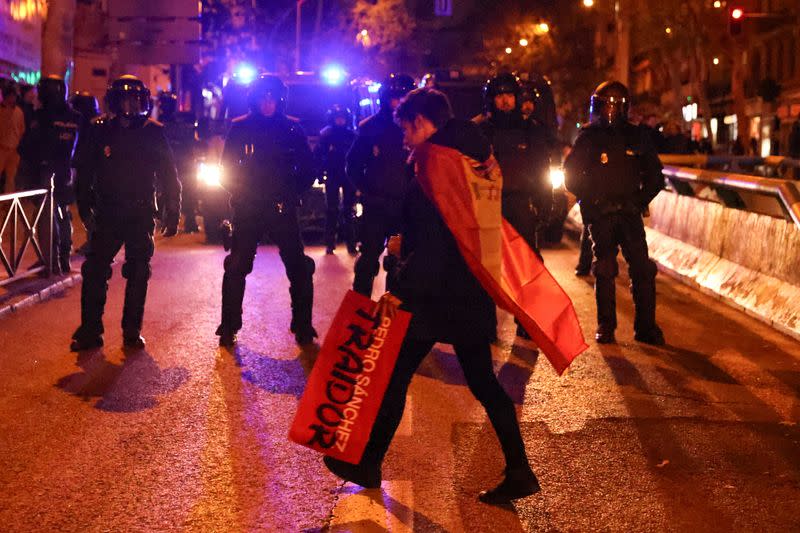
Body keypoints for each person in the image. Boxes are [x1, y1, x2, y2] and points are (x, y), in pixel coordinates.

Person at [323, 88, 540, 505]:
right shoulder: (473, 159)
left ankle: (368, 462)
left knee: (393, 372)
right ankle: (519, 469)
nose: (404, 137)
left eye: (406, 128)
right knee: (482, 384)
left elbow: (437, 240)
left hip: (434, 294)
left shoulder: (436, 164)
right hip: (468, 289)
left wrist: (402, 291)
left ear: (423, 123)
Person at [70, 75, 181, 351]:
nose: (129, 107)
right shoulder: (99, 130)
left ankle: (131, 331)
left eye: (135, 100)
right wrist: (85, 208)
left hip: (140, 212)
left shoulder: (152, 131)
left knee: (139, 271)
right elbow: (83, 173)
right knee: (95, 270)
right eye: (124, 101)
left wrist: (173, 210)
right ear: (114, 102)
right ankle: (90, 330)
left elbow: (169, 175)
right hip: (107, 211)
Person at [215, 74, 317, 347]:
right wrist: (241, 193)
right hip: (249, 208)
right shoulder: (240, 128)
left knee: (299, 266)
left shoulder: (292, 129)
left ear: (280, 99)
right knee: (236, 266)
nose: (268, 102)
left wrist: (291, 192)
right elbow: (226, 169)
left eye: (272, 97)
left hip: (281, 207)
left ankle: (303, 325)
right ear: (255, 98)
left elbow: (309, 168)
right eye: (263, 97)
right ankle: (228, 325)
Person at [564, 81, 665, 345]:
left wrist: (638, 200)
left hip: (630, 213)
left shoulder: (637, 135)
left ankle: (646, 327)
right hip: (602, 214)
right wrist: (592, 201)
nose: (611, 110)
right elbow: (571, 175)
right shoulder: (589, 136)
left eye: (615, 105)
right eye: (606, 104)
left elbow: (655, 175)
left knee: (642, 270)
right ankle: (606, 326)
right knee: (605, 269)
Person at [474, 73, 552, 339]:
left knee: (527, 263)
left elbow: (542, 167)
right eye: (499, 95)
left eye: (509, 95)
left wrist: (545, 199)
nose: (505, 101)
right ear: (491, 99)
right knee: (487, 265)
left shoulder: (532, 129)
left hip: (520, 201)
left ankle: (526, 320)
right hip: (488, 203)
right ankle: (485, 323)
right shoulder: (480, 130)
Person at [346, 73, 416, 297]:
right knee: (367, 263)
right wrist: (365, 190)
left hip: (406, 208)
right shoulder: (371, 127)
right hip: (376, 205)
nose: (400, 103)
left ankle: (393, 321)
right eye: (396, 98)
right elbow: (353, 163)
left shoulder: (419, 128)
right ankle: (359, 316)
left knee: (400, 265)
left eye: (405, 98)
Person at [26, 75, 83, 273]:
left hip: (46, 171)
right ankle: (64, 258)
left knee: (45, 216)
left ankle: (50, 261)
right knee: (63, 213)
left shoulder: (42, 116)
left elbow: (30, 145)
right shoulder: (76, 116)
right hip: (68, 171)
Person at [315, 104, 357, 255]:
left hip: (347, 176)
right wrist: (320, 174)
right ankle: (330, 244)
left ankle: (351, 244)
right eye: (337, 118)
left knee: (348, 211)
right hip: (332, 174)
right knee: (331, 210)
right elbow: (319, 156)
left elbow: (357, 158)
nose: (340, 120)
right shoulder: (326, 135)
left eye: (342, 118)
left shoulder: (352, 135)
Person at [158, 92, 200, 233]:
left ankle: (189, 220)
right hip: (173, 164)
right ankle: (184, 220)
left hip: (181, 164)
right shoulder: (158, 125)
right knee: (181, 192)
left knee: (188, 191)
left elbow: (190, 144)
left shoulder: (177, 124)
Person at [0, 84, 25, 193]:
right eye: (12, 96)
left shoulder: (19, 111)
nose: (13, 98)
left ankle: (6, 203)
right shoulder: (1, 110)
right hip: (1, 147)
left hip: (14, 149)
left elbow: (21, 128)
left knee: (11, 179)